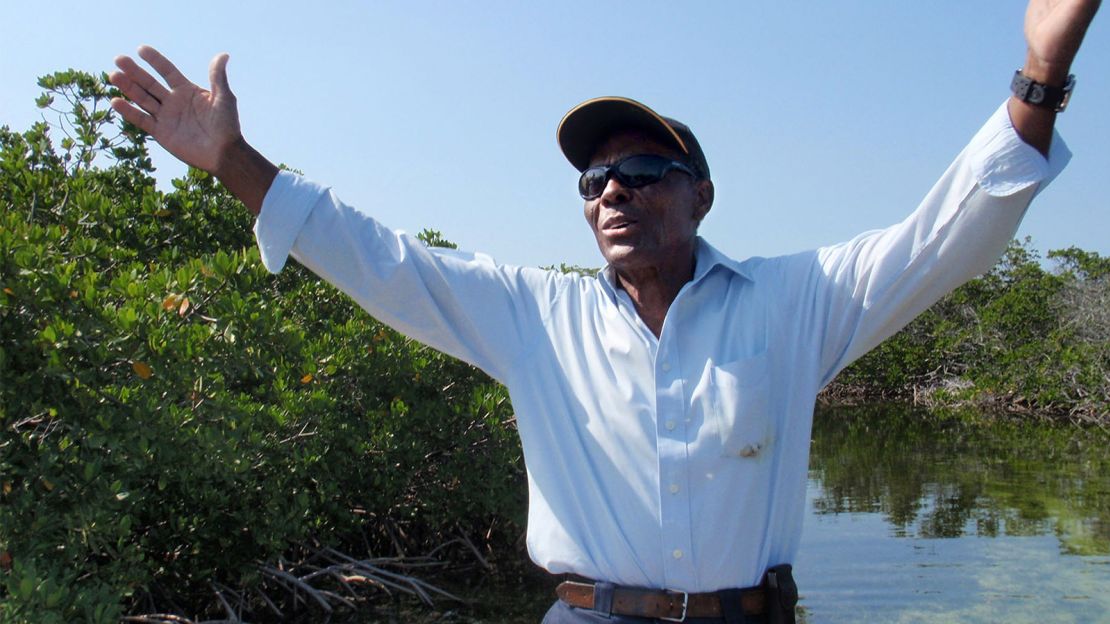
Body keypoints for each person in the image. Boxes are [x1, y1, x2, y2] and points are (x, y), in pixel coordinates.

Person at [109, 1, 1100, 622]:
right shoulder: (532, 317)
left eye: (641, 171)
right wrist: (235, 165)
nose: (613, 193)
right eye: (593, 181)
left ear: (699, 194)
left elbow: (948, 235)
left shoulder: (801, 301)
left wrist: (1038, 76)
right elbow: (380, 261)